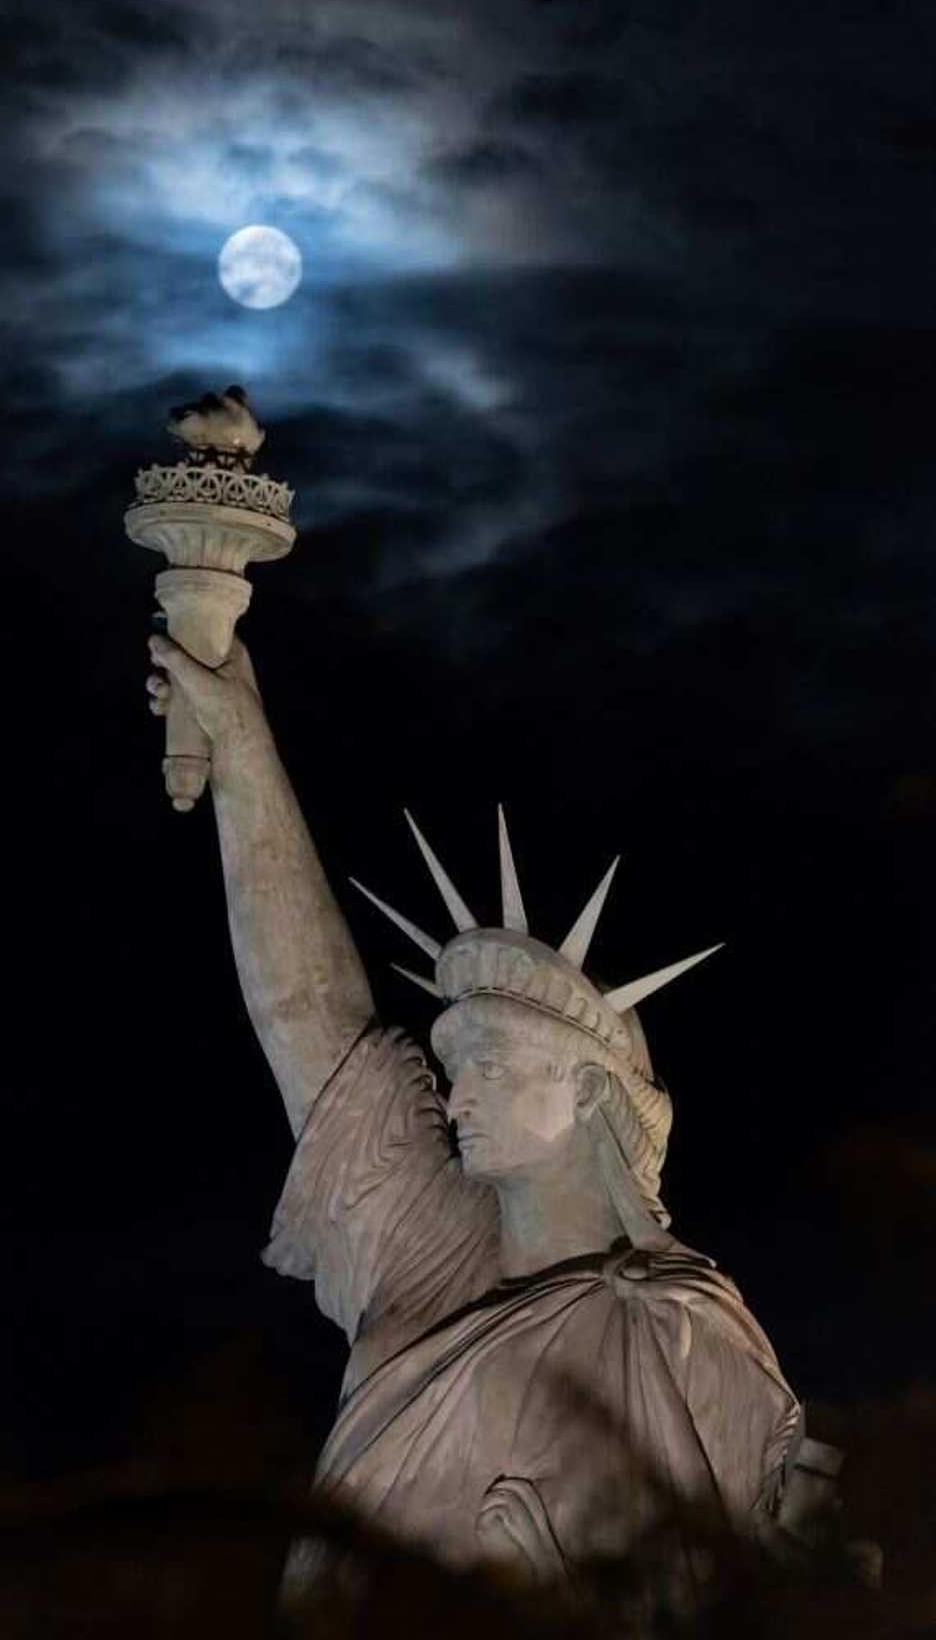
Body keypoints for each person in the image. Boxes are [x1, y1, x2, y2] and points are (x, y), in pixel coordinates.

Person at [144, 631, 831, 1610]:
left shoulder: (678, 1332)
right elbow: (310, 1016)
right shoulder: (428, 1251)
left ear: (591, 1092)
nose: (455, 1094)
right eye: (453, 1067)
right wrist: (243, 750)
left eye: (491, 1066)